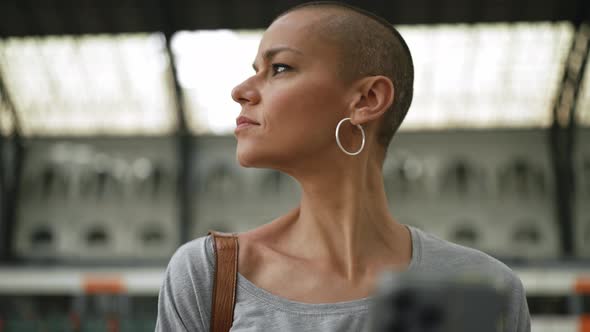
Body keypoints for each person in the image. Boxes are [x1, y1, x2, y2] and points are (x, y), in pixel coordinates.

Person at [155, 1, 531, 331]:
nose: (240, 90)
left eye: (280, 68)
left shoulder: (477, 287)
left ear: (367, 99)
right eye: (256, 68)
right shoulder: (212, 274)